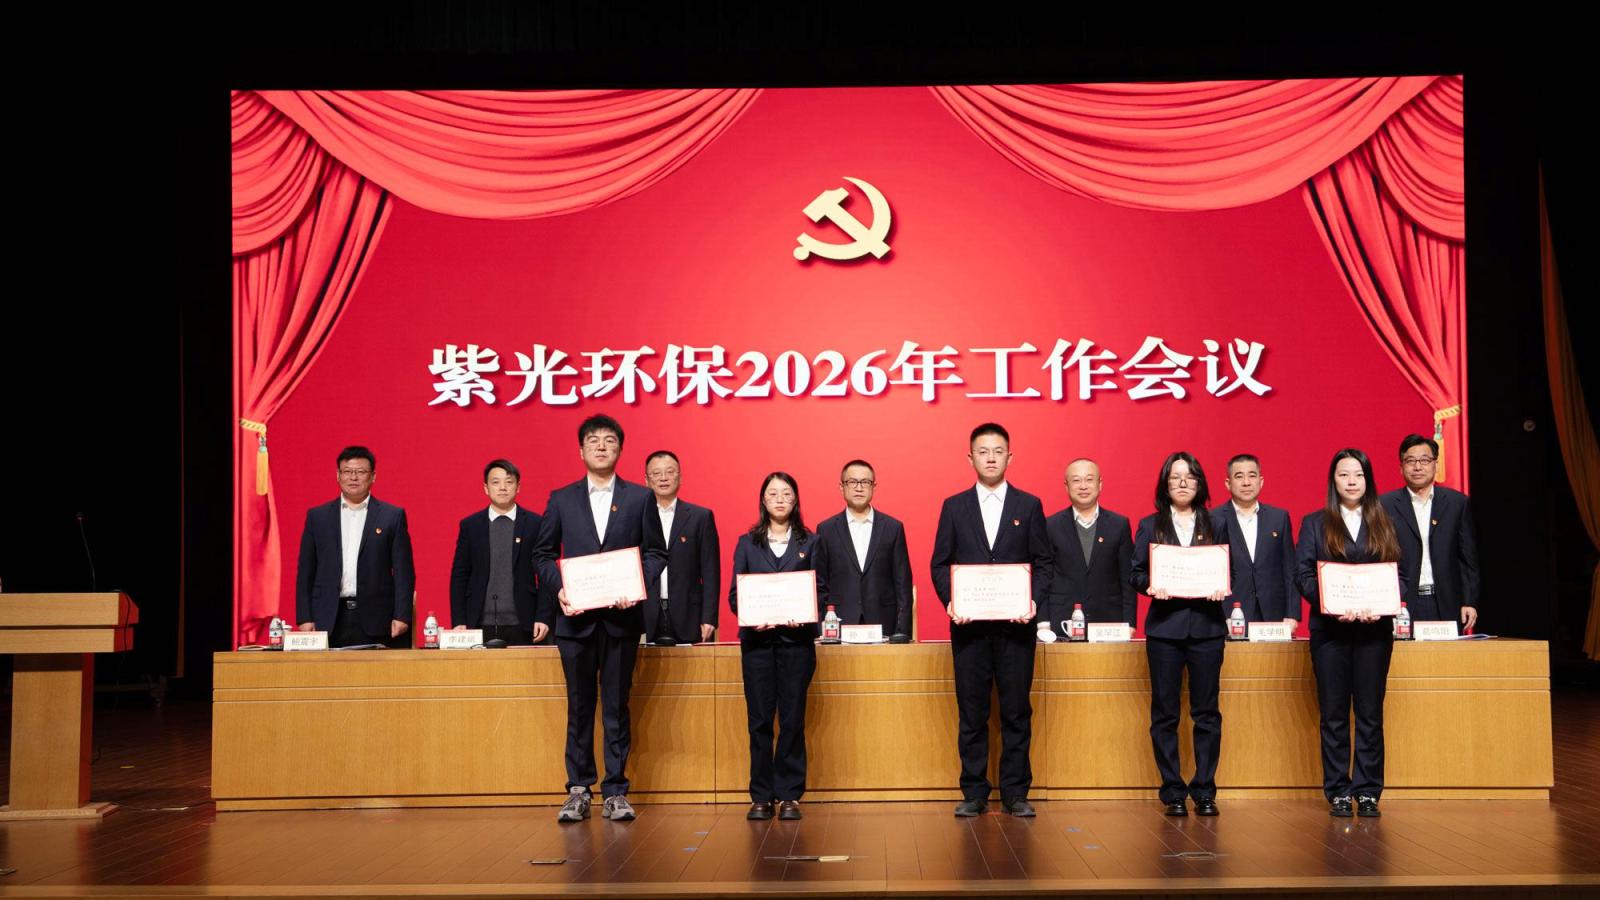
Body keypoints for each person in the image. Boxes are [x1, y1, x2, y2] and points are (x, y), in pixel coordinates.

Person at [533, 415, 667, 824]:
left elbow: (656, 553)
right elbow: (542, 554)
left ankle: (615, 790)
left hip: (620, 621)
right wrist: (561, 589)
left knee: (615, 707)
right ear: (581, 451)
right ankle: (578, 789)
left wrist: (636, 586)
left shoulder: (639, 498)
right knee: (579, 707)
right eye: (594, 441)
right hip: (575, 623)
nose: (602, 446)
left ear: (620, 449)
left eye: (610, 440)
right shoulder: (562, 499)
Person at [929, 423, 1052, 818]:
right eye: (983, 452)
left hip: (1016, 629)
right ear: (970, 459)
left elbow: (1044, 563)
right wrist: (951, 601)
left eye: (998, 451)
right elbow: (939, 564)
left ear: (1010, 457)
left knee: (1016, 711)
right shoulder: (954, 506)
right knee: (972, 712)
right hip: (970, 629)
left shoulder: (1028, 505)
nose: (991, 458)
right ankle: (974, 791)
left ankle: (1016, 793)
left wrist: (1033, 600)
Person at [1296, 448, 1409, 819]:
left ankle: (1369, 790)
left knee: (1370, 714)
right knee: (1333, 715)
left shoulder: (1386, 521)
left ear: (1368, 480)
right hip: (1330, 633)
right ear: (1333, 480)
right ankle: (1339, 791)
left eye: (1358, 475)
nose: (1351, 481)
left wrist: (1382, 605)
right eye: (1344, 474)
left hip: (1374, 633)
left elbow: (1401, 576)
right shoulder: (1315, 522)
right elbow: (1303, 575)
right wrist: (1331, 604)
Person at [1129, 452, 1227, 817]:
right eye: (1175, 477)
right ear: (1165, 484)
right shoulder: (1150, 524)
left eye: (1189, 477)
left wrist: (1222, 587)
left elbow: (1229, 569)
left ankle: (1204, 790)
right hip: (1165, 631)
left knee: (1207, 713)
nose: (1183, 483)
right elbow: (1135, 572)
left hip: (1207, 628)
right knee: (1165, 714)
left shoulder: (1217, 523)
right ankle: (1172, 790)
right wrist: (1151, 585)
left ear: (1200, 483)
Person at [728, 472, 819, 821]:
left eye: (786, 494)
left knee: (793, 720)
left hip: (796, 644)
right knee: (760, 721)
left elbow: (821, 589)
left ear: (795, 500)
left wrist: (804, 614)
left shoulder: (811, 542)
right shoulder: (747, 543)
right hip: (758, 646)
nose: (780, 499)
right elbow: (735, 595)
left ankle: (790, 795)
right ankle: (761, 796)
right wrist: (752, 617)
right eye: (772, 494)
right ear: (763, 501)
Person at [295, 446, 415, 648]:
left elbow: (404, 572)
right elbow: (306, 571)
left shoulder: (391, 516)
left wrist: (402, 615)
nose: (353, 477)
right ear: (338, 475)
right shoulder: (318, 517)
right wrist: (304, 616)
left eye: (360, 472)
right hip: (329, 617)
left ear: (373, 476)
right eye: (347, 471)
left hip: (376, 617)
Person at [1380, 434, 1481, 631]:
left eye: (1425, 460)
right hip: (1403, 604)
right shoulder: (1384, 505)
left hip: (1446, 601)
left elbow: (1467, 558)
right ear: (1401, 467)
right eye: (1410, 461)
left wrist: (1469, 601)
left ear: (1436, 464)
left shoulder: (1457, 503)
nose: (1417, 467)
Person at [448, 459, 546, 646]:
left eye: (509, 482)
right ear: (486, 488)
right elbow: (460, 575)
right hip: (478, 622)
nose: (502, 488)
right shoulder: (471, 525)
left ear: (518, 487)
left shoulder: (535, 524)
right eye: (496, 482)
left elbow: (544, 576)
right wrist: (459, 620)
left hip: (525, 622)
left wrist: (543, 617)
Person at [813, 459, 914, 638]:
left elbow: (903, 584)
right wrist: (820, 629)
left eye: (865, 482)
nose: (859, 488)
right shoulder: (826, 530)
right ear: (841, 487)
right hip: (838, 623)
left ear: (874, 486)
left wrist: (902, 632)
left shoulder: (893, 528)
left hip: (883, 622)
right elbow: (820, 585)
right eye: (852, 482)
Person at [1043, 458, 1135, 632]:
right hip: (1062, 621)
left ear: (1100, 484)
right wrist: (1043, 622)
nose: (1083, 486)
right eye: (1076, 480)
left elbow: (1127, 578)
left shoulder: (1119, 525)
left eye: (1089, 479)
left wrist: (1130, 623)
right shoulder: (1050, 526)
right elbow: (1043, 576)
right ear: (1066, 486)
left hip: (1108, 622)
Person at [641, 450, 721, 645]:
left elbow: (710, 571)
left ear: (680, 477)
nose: (663, 478)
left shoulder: (700, 517)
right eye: (656, 473)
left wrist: (709, 617)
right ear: (646, 480)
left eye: (670, 472)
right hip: (645, 613)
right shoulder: (636, 517)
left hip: (689, 614)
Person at [1212, 454, 1300, 626]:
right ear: (1228, 483)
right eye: (1239, 476)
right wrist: (1220, 615)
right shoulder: (1213, 519)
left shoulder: (1278, 518)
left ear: (1261, 481)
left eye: (1252, 476)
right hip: (1228, 615)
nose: (1246, 482)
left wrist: (1292, 614)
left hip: (1273, 614)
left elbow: (1290, 569)